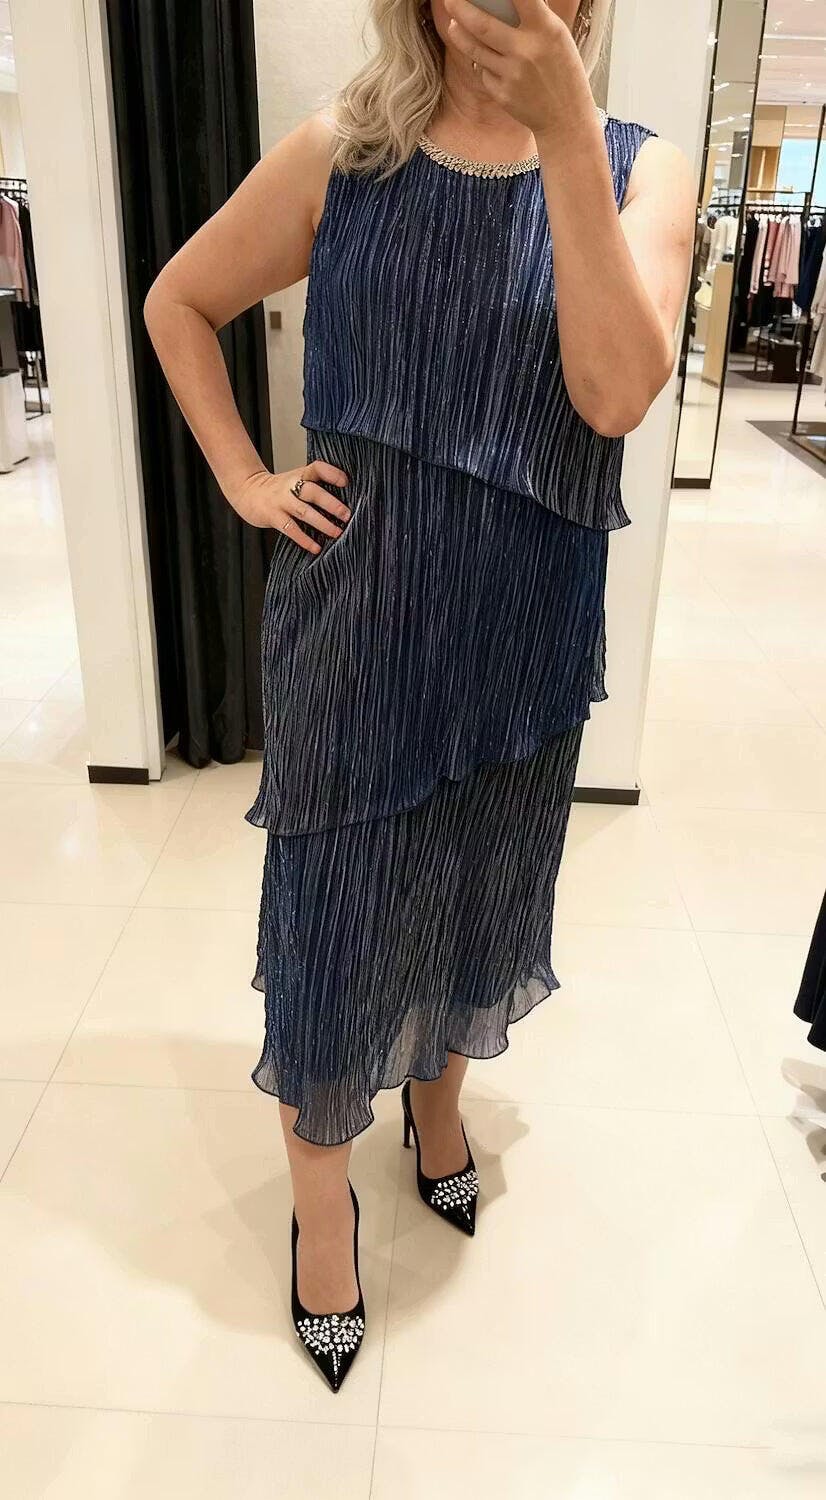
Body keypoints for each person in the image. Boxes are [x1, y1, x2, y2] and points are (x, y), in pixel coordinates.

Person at [144, 0, 695, 1391]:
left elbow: (614, 395)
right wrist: (244, 478)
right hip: (359, 630)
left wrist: (565, 133)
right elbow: (179, 301)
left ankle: (435, 1115)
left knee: (474, 890)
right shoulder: (344, 155)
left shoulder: (641, 168)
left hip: (523, 639)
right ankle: (321, 1217)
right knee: (333, 924)